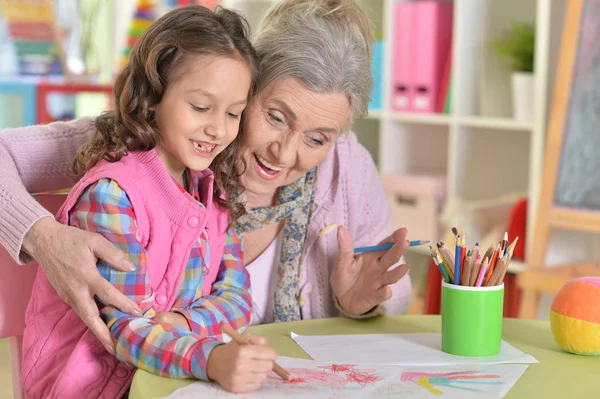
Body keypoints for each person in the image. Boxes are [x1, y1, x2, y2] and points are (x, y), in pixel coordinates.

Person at [0, 0, 412, 352]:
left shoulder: (346, 166)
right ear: (245, 86)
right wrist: (43, 237)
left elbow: (395, 290)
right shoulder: (151, 140)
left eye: (317, 138)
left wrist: (357, 302)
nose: (285, 153)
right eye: (275, 117)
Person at [19, 6, 277, 398]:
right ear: (153, 95)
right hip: (93, 387)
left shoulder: (212, 190)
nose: (218, 128)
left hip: (165, 378)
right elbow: (124, 329)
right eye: (201, 107)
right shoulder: (113, 196)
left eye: (233, 113)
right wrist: (209, 358)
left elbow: (238, 296)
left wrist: (180, 322)